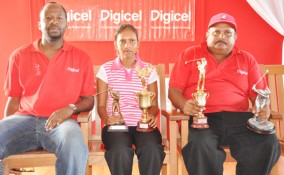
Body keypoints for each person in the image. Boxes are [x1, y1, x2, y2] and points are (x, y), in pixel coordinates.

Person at [0, 2, 95, 175]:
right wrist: (7, 128)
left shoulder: (81, 58)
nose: (54, 22)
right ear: (40, 24)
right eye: (48, 18)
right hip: (25, 120)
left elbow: (89, 100)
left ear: (67, 24)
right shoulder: (19, 56)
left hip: (62, 124)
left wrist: (70, 109)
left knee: (74, 143)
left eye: (59, 18)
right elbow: (13, 100)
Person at [168, 13, 281, 175]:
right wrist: (184, 105)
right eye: (216, 32)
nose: (222, 37)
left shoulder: (246, 59)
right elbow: (174, 91)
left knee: (266, 142)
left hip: (241, 120)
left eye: (228, 33)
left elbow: (259, 94)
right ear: (207, 35)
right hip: (203, 118)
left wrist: (262, 107)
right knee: (200, 144)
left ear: (235, 37)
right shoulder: (190, 55)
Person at [96, 24, 165, 175]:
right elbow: (100, 106)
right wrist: (107, 119)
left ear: (138, 44)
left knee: (152, 149)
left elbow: (154, 105)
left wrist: (151, 115)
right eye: (122, 41)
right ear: (116, 45)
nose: (127, 46)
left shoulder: (149, 70)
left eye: (132, 41)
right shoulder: (105, 70)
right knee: (120, 150)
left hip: (143, 125)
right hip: (117, 127)